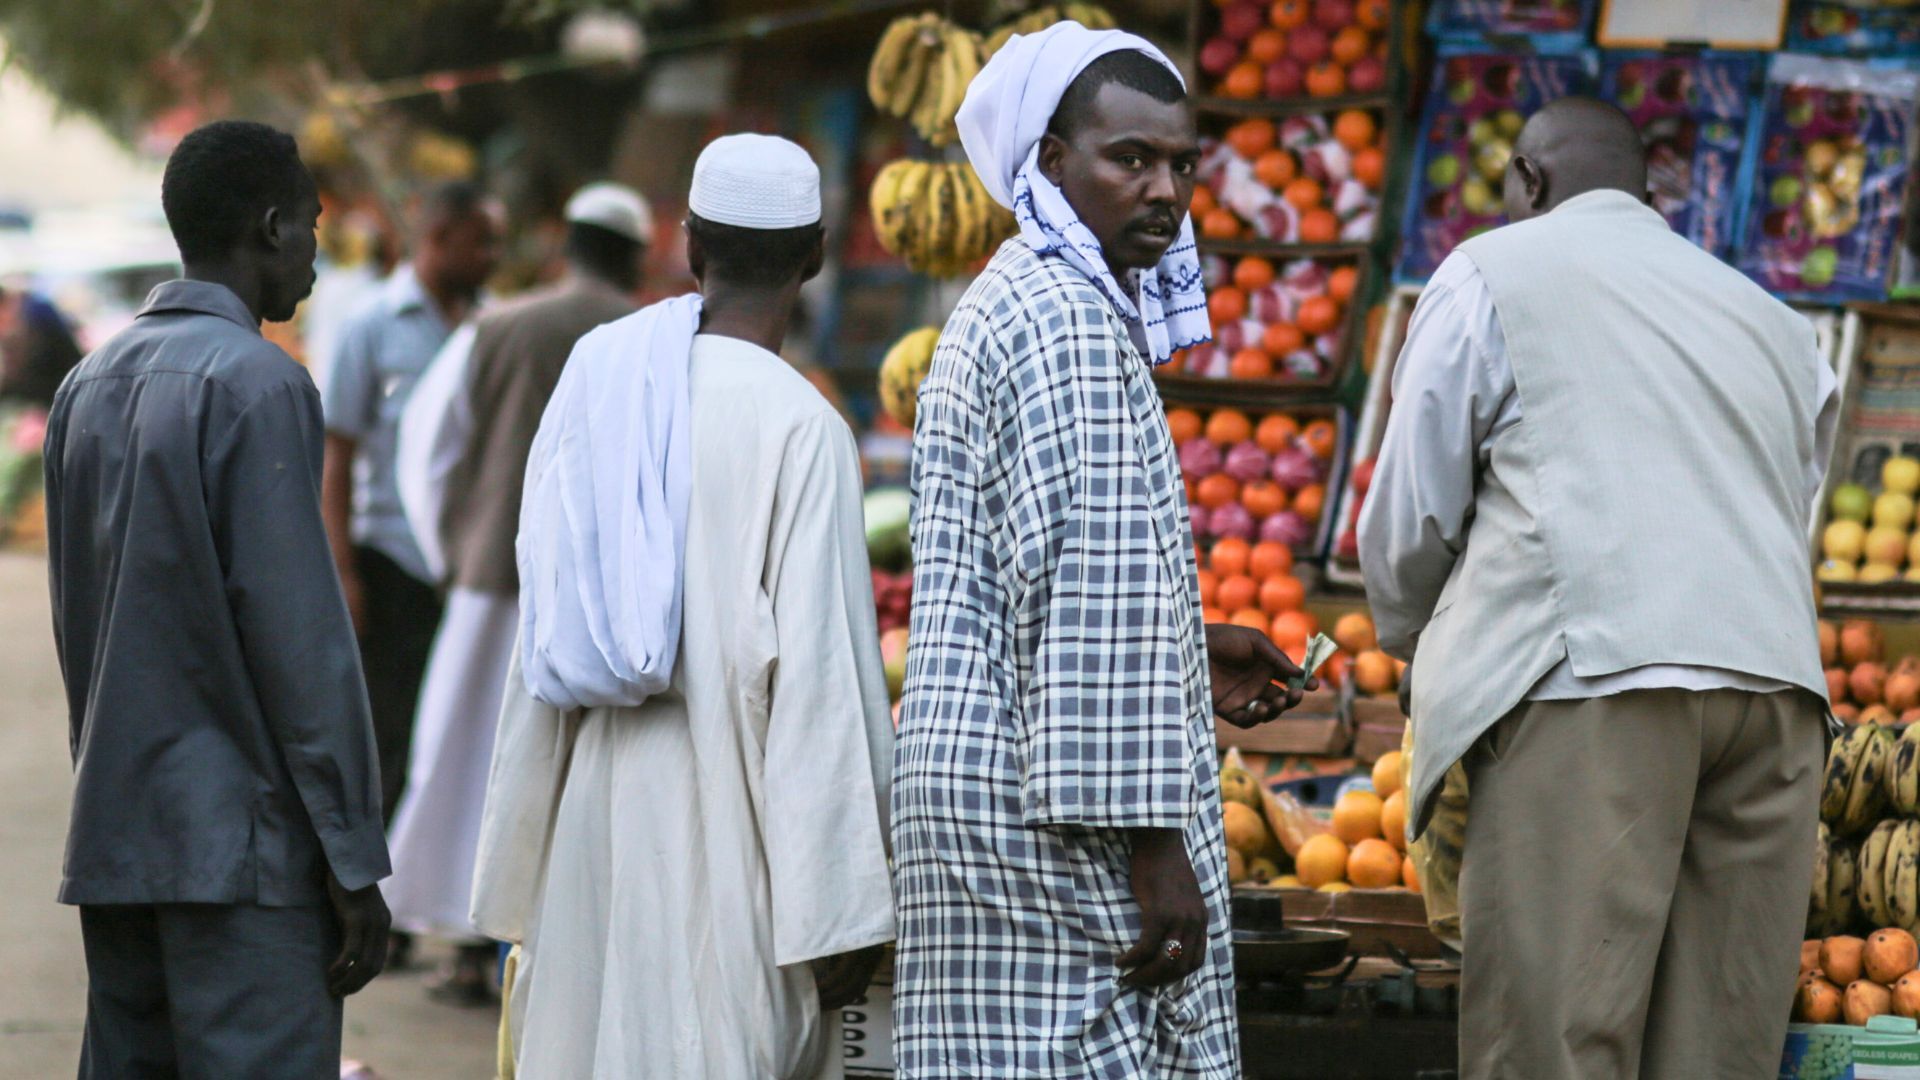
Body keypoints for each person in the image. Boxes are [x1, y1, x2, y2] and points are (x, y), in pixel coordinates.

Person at [1359, 97, 1835, 1078]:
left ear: (1526, 181)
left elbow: (1413, 520)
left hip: (1597, 674)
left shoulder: (1493, 271)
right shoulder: (1775, 324)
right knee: (1714, 1051)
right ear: (1649, 193)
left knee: (1556, 1046)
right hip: (1777, 695)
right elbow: (1789, 504)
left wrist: (1413, 638)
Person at [891, 26, 1312, 1077]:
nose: (1164, 189)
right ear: (1047, 162)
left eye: (1180, 164)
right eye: (1130, 159)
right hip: (1059, 827)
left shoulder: (1019, 299)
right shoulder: (1067, 325)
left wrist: (1186, 648)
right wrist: (1157, 850)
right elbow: (1082, 596)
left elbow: (1045, 576)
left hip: (989, 786)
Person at [469, 134, 896, 1077]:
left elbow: (540, 638)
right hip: (729, 824)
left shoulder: (602, 379)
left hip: (592, 809)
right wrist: (841, 911)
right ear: (816, 256)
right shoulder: (806, 426)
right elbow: (821, 685)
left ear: (691, 248)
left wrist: (519, 851)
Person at [40, 120, 390, 1079]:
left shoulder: (84, 386)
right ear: (273, 228)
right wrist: (353, 857)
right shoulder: (261, 385)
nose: (318, 251)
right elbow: (300, 643)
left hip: (118, 837)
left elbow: (81, 626)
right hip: (246, 855)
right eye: (315, 226)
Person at [381, 182, 649, 1002]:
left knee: (467, 762)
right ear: (636, 256)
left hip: (491, 582)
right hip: (608, 599)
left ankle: (468, 942)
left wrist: (451, 553)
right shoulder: (650, 339)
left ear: (565, 243)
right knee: (578, 770)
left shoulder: (494, 328)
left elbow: (426, 452)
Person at [321, 180, 499, 826]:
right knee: (388, 740)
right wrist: (342, 571)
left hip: (470, 569)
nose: (492, 256)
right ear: (440, 237)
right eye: (482, 242)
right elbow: (335, 453)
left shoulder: (492, 325)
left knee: (467, 743)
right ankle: (382, 914)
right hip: (390, 563)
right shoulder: (371, 326)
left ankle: (462, 913)